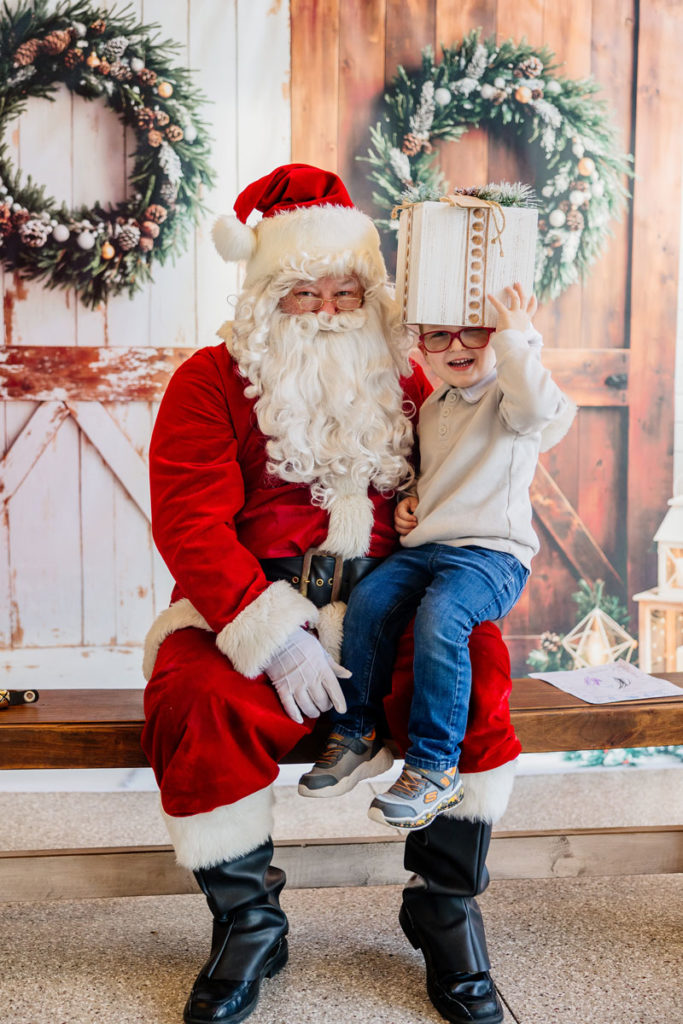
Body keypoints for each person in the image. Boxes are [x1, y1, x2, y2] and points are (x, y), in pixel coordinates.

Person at [142, 163, 524, 1024]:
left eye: (344, 291)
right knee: (196, 696)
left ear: (373, 293)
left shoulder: (417, 379)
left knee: (477, 668)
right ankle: (247, 921)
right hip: (250, 606)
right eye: (301, 293)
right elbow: (188, 523)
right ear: (263, 297)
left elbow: (479, 471)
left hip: (391, 603)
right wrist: (274, 634)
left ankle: (444, 908)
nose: (325, 311)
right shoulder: (208, 382)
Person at [300, 283, 574, 833]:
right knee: (371, 599)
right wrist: (410, 503)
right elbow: (437, 476)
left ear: (498, 339)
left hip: (491, 556)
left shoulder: (511, 396)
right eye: (440, 335)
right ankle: (359, 728)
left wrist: (519, 339)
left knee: (442, 617)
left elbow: (540, 406)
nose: (458, 345)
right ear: (421, 346)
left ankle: (434, 767)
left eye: (476, 332)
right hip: (431, 546)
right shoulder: (433, 404)